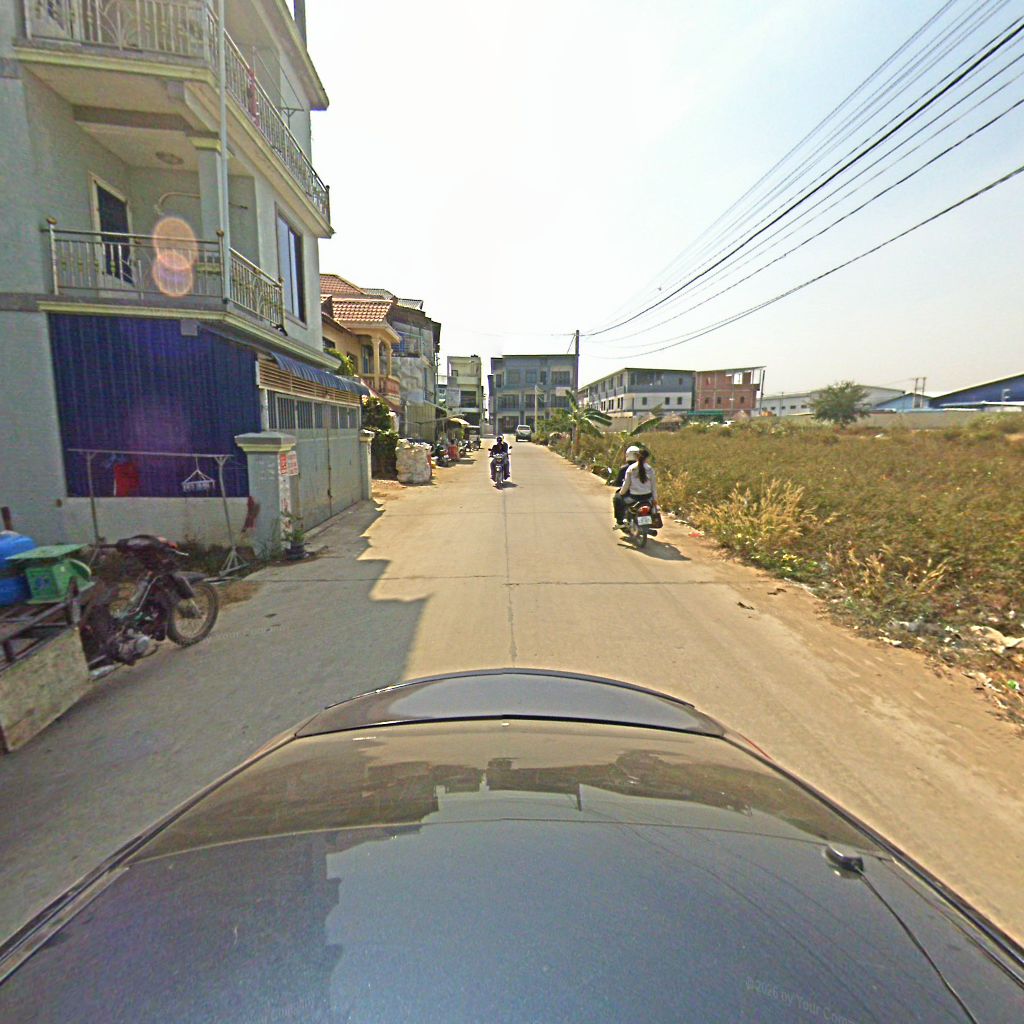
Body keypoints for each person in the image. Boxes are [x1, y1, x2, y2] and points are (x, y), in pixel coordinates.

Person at [614, 446, 656, 527]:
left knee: (617, 498)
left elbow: (626, 485)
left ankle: (620, 522)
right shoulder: (650, 469)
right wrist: (654, 499)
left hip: (634, 497)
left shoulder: (630, 468)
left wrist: (621, 493)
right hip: (648, 497)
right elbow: (653, 487)